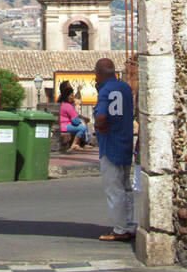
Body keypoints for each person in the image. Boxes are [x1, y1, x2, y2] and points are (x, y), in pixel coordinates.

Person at [93, 58, 136, 242]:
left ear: (100, 73)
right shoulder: (125, 88)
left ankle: (119, 229)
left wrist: (99, 125)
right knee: (126, 187)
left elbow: (101, 116)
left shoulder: (105, 90)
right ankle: (129, 224)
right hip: (125, 141)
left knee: (114, 188)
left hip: (110, 144)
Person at [57, 80, 89, 150]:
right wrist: (81, 121)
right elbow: (75, 121)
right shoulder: (68, 106)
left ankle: (82, 143)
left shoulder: (61, 103)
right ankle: (74, 144)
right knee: (83, 127)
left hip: (61, 124)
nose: (73, 97)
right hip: (65, 126)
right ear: (67, 96)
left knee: (82, 122)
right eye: (72, 95)